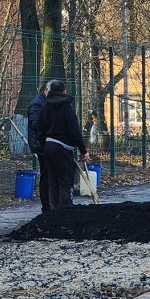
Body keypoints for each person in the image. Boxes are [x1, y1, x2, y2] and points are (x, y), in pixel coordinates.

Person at [37, 80, 90, 208]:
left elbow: (40, 129)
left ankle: (54, 212)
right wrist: (83, 150)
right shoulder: (66, 107)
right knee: (65, 181)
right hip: (62, 147)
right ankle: (66, 211)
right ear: (63, 91)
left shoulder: (45, 107)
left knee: (53, 182)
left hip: (49, 146)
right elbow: (74, 131)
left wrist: (44, 145)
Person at [26, 82, 51, 212]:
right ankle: (47, 207)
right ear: (46, 90)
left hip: (46, 144)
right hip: (41, 145)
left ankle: (50, 205)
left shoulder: (45, 103)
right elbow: (36, 125)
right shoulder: (37, 105)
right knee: (46, 175)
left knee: (49, 174)